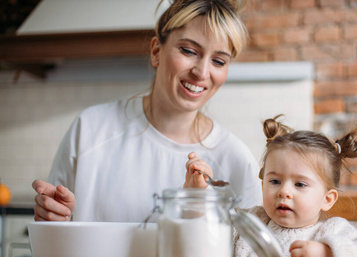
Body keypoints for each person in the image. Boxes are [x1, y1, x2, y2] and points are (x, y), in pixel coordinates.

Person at [32, 0, 262, 222]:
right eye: (189, 50)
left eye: (219, 61)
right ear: (156, 51)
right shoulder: (90, 128)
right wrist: (55, 218)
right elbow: (50, 236)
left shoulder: (237, 161)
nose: (202, 72)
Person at [185, 115, 357, 257]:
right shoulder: (250, 223)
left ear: (327, 199)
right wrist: (198, 195)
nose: (284, 192)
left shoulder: (331, 233)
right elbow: (203, 236)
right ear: (262, 185)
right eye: (275, 181)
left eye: (300, 184)